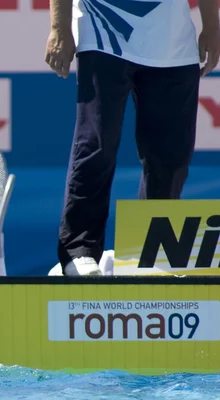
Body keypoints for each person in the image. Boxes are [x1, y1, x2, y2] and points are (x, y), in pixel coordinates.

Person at [45, 0, 220, 276]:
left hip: (172, 40)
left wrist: (212, 26)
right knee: (96, 144)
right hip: (103, 27)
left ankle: (150, 251)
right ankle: (79, 251)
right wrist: (59, 27)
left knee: (171, 155)